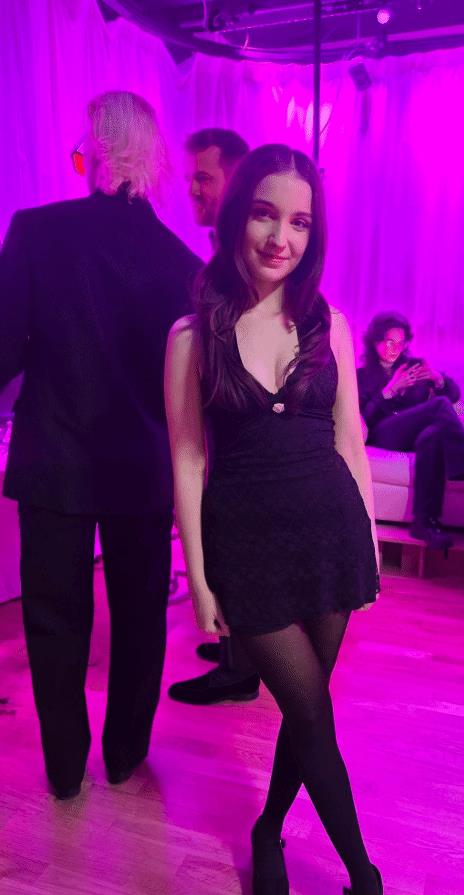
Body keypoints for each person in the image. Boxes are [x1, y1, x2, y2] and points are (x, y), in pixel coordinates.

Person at [165, 144, 383, 895]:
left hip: (330, 537)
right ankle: (365, 879)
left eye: (298, 221)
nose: (280, 237)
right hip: (245, 547)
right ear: (237, 216)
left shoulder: (331, 324)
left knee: (307, 707)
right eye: (265, 213)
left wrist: (368, 541)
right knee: (311, 711)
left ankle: (267, 830)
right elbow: (188, 459)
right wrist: (199, 578)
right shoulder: (193, 335)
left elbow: (349, 437)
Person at [0, 91, 202, 799]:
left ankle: (64, 768)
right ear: (154, 159)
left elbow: (2, 353)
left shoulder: (36, 232)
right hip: (142, 465)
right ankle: (124, 754)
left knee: (54, 617)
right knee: (141, 615)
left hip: (53, 456)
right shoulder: (182, 264)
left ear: (93, 149)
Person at [169, 127, 263, 705]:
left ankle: (240, 668)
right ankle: (239, 650)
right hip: (225, 417)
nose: (192, 190)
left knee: (234, 541)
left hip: (240, 422)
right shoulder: (224, 247)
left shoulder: (241, 252)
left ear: (234, 179)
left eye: (202, 177)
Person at [357, 312, 464, 549]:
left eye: (400, 342)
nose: (395, 348)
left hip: (415, 434)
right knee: (438, 405)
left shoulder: (414, 367)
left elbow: (453, 395)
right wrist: (390, 390)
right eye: (389, 342)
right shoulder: (361, 375)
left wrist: (439, 380)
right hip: (385, 433)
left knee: (433, 435)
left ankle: (425, 522)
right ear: (375, 341)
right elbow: (364, 418)